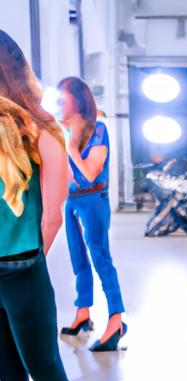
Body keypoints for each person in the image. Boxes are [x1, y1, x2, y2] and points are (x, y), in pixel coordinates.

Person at [0, 30, 80, 381]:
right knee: (7, 374)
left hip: (23, 270)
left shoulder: (44, 130)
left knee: (46, 373)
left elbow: (52, 214)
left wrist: (27, 260)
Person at [58, 77, 127, 352]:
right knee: (78, 259)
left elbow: (89, 172)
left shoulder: (99, 129)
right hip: (72, 201)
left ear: (77, 100)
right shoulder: (63, 129)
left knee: (101, 259)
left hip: (93, 200)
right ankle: (82, 312)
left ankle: (116, 319)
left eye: (64, 97)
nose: (60, 102)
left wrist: (70, 146)